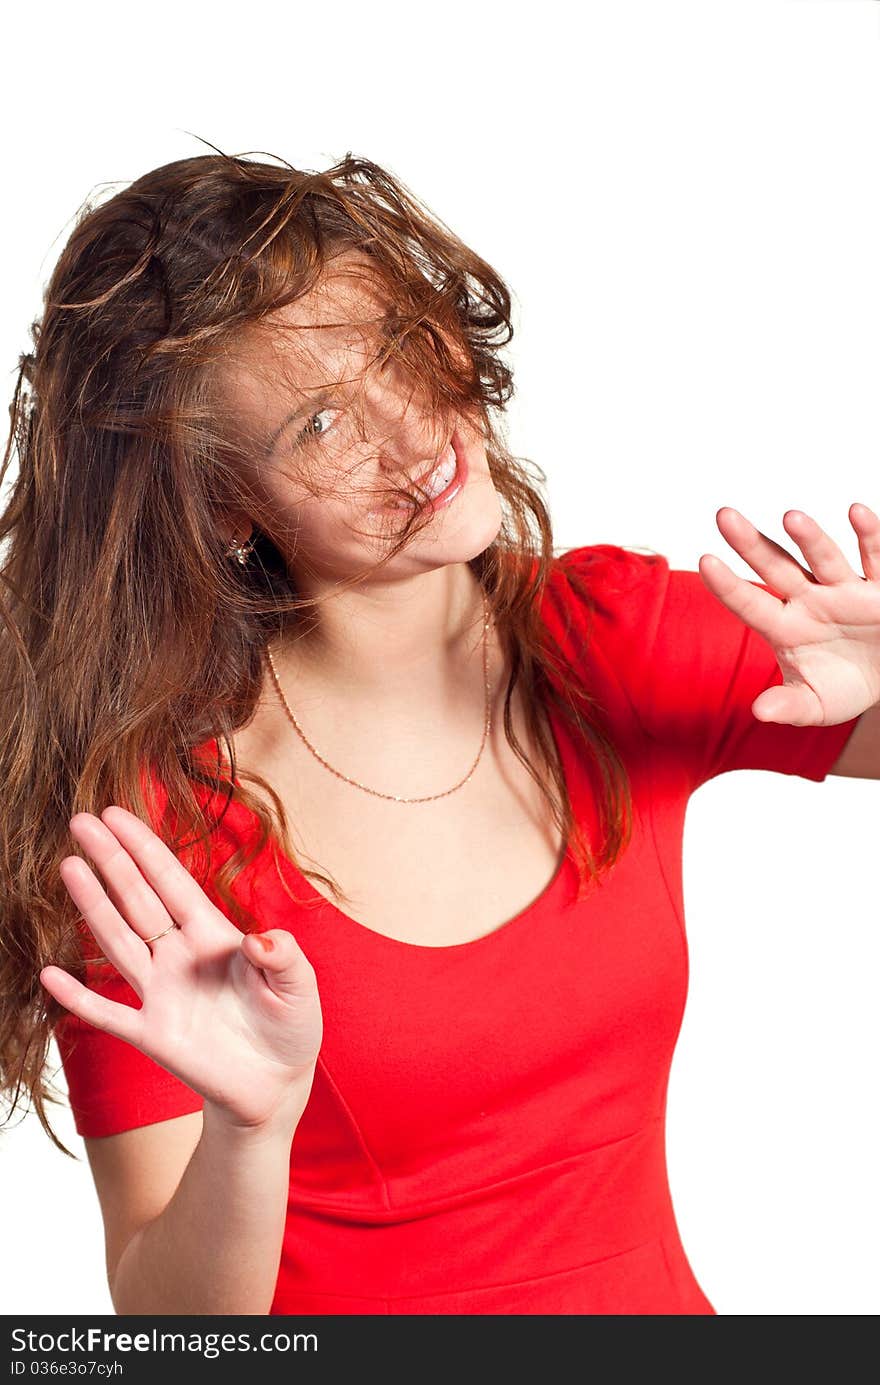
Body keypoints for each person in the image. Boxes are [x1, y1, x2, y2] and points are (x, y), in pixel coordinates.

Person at [0, 148, 874, 1317]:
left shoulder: (604, 640)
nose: (414, 440)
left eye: (399, 350)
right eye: (320, 423)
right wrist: (248, 1130)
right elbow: (175, 1332)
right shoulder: (155, 831)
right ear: (222, 505)